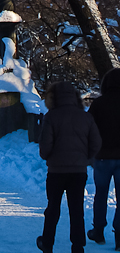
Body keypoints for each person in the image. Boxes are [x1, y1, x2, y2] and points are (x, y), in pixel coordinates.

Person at [38, 81, 102, 253]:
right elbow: (96, 143)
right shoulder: (86, 117)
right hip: (78, 172)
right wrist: (86, 159)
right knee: (76, 209)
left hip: (56, 171)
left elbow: (45, 146)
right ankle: (78, 245)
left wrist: (48, 156)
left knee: (53, 208)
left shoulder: (51, 116)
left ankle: (47, 242)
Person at [88, 68, 120, 248]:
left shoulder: (99, 104)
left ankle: (98, 230)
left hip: (102, 156)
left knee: (101, 194)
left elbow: (89, 129)